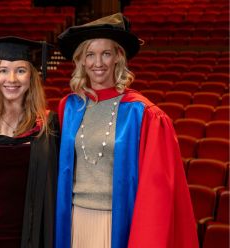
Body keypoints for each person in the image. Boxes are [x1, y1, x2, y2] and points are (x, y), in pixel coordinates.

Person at [55, 13, 198, 248]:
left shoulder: (142, 113)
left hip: (116, 222)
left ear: (118, 58)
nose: (98, 63)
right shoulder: (69, 107)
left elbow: (156, 189)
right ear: (81, 61)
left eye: (106, 54)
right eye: (90, 54)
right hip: (74, 220)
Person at [0, 36, 59, 248]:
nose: (12, 79)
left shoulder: (47, 126)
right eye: (3, 70)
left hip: (33, 235)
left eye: (21, 70)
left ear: (31, 77)